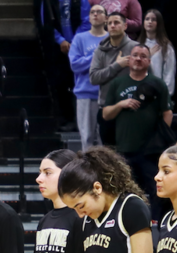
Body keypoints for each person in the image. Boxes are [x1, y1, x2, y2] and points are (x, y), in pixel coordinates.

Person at [101, 43, 173, 215]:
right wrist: (120, 104)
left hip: (150, 150)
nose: (138, 59)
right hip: (124, 148)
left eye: (143, 56)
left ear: (148, 61)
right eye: (135, 55)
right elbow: (106, 114)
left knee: (156, 189)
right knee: (126, 190)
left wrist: (162, 137)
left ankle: (156, 222)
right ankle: (128, 221)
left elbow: (167, 112)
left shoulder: (157, 83)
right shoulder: (118, 83)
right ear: (129, 59)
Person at [41, 0, 92, 130]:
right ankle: (66, 120)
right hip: (57, 50)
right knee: (60, 84)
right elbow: (45, 23)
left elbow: (87, 21)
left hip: (80, 48)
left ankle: (81, 120)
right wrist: (60, 40)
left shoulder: (81, 1)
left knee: (79, 83)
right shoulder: (48, 2)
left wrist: (75, 42)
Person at [71, 5, 110, 149]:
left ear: (106, 18)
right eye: (92, 12)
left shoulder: (111, 38)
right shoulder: (80, 38)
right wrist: (96, 56)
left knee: (104, 139)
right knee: (87, 137)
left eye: (99, 12)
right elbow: (75, 65)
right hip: (85, 93)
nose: (95, 14)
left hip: (107, 94)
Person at [90, 12, 139, 105]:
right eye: (109, 23)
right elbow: (93, 78)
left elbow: (149, 77)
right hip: (107, 106)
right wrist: (117, 66)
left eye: (116, 22)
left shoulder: (136, 48)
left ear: (125, 26)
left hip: (132, 106)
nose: (112, 26)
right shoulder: (100, 50)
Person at [143, 9, 176, 97]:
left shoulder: (165, 46)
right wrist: (147, 56)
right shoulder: (138, 45)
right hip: (140, 92)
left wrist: (166, 94)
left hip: (158, 93)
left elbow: (169, 72)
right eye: (147, 19)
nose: (150, 22)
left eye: (153, 19)